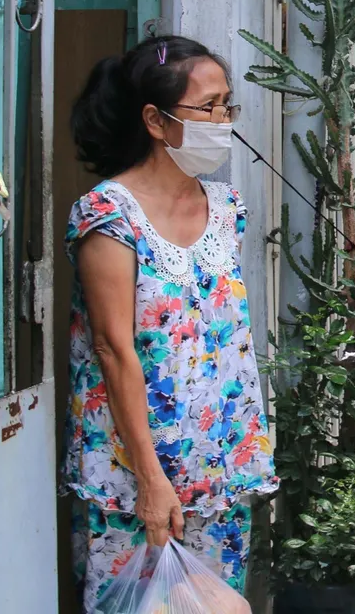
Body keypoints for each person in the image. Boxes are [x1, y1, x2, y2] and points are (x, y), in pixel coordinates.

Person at [64, 35, 277, 610]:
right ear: (156, 121)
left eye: (227, 105)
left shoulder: (226, 207)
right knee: (137, 605)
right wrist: (152, 481)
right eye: (206, 107)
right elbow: (113, 349)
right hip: (135, 474)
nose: (222, 120)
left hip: (220, 466)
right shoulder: (108, 213)